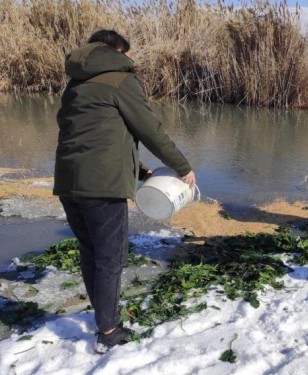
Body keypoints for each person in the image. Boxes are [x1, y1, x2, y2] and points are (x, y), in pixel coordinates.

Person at [54, 30, 196, 353]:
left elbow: (91, 133)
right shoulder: (120, 79)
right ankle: (108, 331)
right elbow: (150, 130)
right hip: (103, 187)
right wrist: (183, 167)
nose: (130, 59)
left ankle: (103, 318)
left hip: (68, 183)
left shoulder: (75, 84)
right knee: (111, 257)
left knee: (91, 251)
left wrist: (139, 169)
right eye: (126, 52)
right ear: (115, 50)